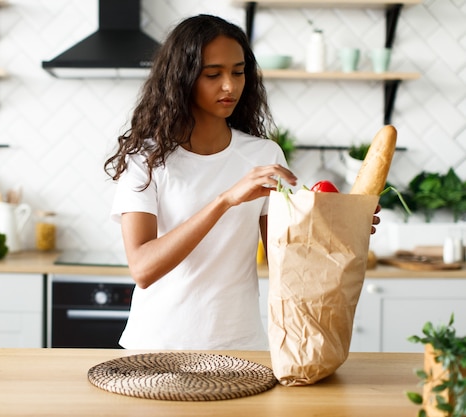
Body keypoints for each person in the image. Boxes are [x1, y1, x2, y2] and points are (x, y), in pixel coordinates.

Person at [104, 14, 375, 350]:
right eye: (213, 74)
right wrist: (226, 200)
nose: (230, 86)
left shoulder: (264, 155)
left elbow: (289, 266)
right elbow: (143, 268)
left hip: (240, 346)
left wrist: (343, 227)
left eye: (238, 71)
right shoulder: (145, 160)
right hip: (156, 346)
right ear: (182, 78)